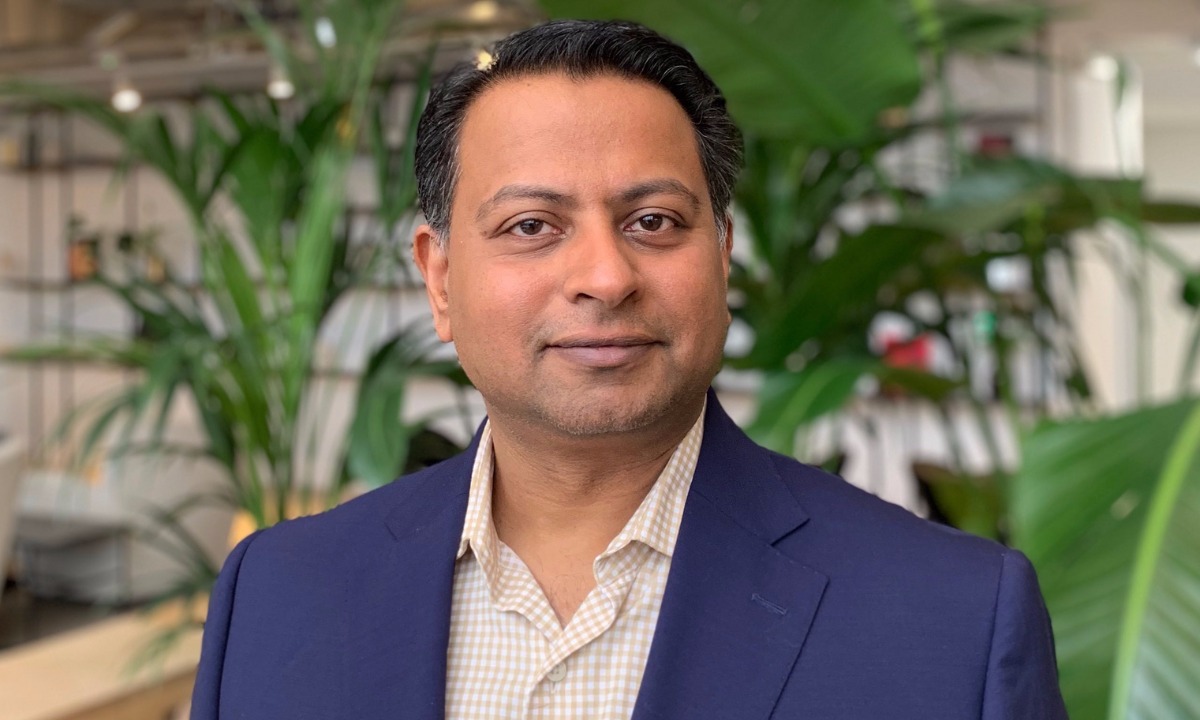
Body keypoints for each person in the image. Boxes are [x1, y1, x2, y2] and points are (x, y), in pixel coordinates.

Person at [191, 19, 1068, 720]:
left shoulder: (952, 620)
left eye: (653, 221)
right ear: (441, 279)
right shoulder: (277, 594)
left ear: (721, 256)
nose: (606, 278)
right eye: (532, 226)